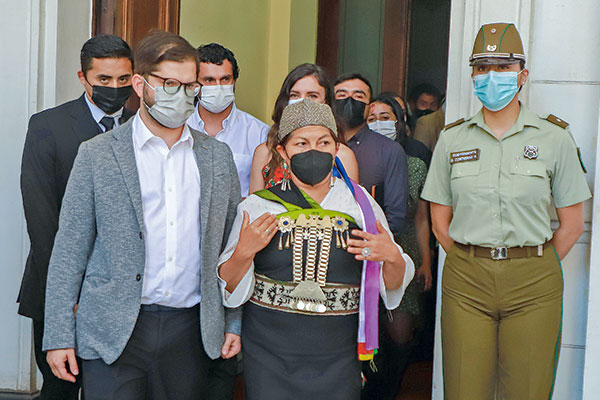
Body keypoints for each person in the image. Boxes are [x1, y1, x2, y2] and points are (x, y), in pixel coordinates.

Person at [43, 31, 242, 399]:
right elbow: (69, 248)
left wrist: (233, 322)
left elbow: (231, 249)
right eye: (168, 84)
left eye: (189, 86)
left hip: (191, 330)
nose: (181, 95)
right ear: (140, 84)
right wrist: (57, 335)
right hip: (113, 330)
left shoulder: (217, 158)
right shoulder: (97, 154)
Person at [422, 22, 591, 400]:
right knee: (464, 389)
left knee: (527, 391)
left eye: (502, 67)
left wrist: (533, 263)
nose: (491, 76)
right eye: (482, 67)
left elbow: (572, 223)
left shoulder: (555, 139)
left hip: (534, 281)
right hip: (467, 279)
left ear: (522, 75)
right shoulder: (452, 139)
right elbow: (439, 220)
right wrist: (473, 259)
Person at [217, 99, 415, 400]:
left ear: (337, 148)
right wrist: (244, 252)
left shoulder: (360, 204)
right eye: (301, 142)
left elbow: (391, 284)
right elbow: (229, 289)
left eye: (324, 142)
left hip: (338, 354)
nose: (314, 150)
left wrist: (390, 256)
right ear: (282, 152)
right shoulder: (257, 207)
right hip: (270, 355)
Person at [18, 34, 134, 400]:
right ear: (83, 78)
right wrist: (71, 289)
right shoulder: (47, 126)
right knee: (61, 387)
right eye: (104, 80)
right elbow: (40, 215)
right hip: (57, 282)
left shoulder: (144, 128)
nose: (114, 88)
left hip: (122, 291)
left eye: (123, 79)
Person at [362, 94, 432, 399]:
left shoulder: (415, 165)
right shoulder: (355, 159)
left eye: (385, 116)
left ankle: (390, 391)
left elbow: (422, 219)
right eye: (371, 117)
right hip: (364, 255)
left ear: (400, 121)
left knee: (400, 337)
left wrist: (427, 263)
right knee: (367, 335)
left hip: (402, 254)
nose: (379, 123)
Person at [248, 63, 359, 194]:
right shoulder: (265, 152)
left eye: (312, 96)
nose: (303, 102)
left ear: (326, 103)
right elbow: (253, 208)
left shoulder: (343, 155)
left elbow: (352, 208)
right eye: (295, 95)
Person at [187, 43, 269, 197]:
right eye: (209, 80)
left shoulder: (260, 134)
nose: (218, 86)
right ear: (194, 85)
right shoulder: (179, 128)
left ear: (234, 83)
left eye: (225, 79)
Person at [333, 73, 409, 233]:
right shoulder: (318, 144)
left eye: (358, 95)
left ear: (370, 106)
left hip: (369, 247)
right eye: (342, 95)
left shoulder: (389, 150)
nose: (349, 100)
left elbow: (394, 217)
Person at [367, 93, 432, 166]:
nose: (378, 123)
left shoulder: (416, 156)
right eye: (371, 119)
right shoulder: (358, 155)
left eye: (385, 118)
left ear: (397, 121)